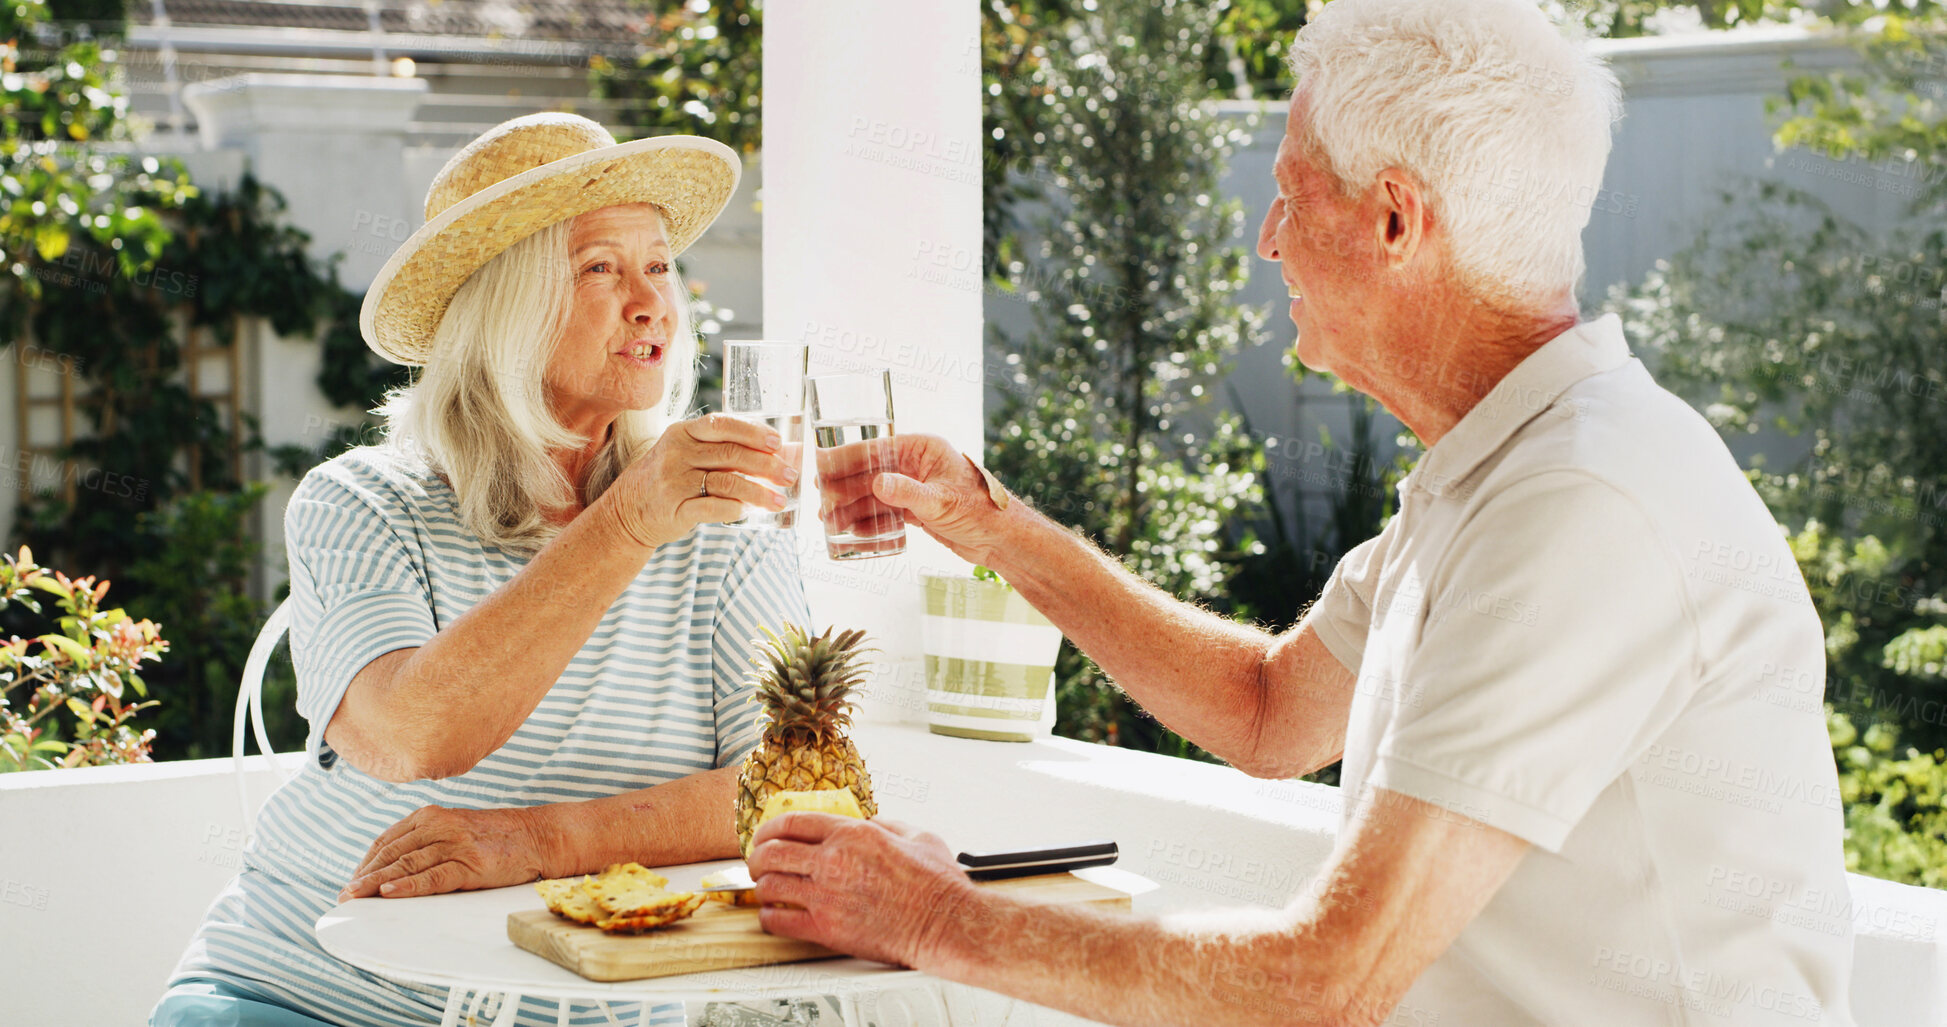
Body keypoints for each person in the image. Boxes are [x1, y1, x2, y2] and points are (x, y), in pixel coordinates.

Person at [768, 1, 1859, 1024]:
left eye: (1292, 194)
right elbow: (1266, 711)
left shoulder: (1584, 504)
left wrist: (925, 914)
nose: (1267, 239)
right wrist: (994, 525)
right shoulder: (1502, 471)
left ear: (1396, 219)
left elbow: (1328, 979)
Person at [154, 113, 807, 1026]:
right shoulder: (362, 501)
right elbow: (409, 736)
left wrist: (537, 841)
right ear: (508, 303)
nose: (651, 301)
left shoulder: (725, 522)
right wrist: (625, 520)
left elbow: (796, 786)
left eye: (657, 264)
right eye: (598, 269)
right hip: (310, 990)